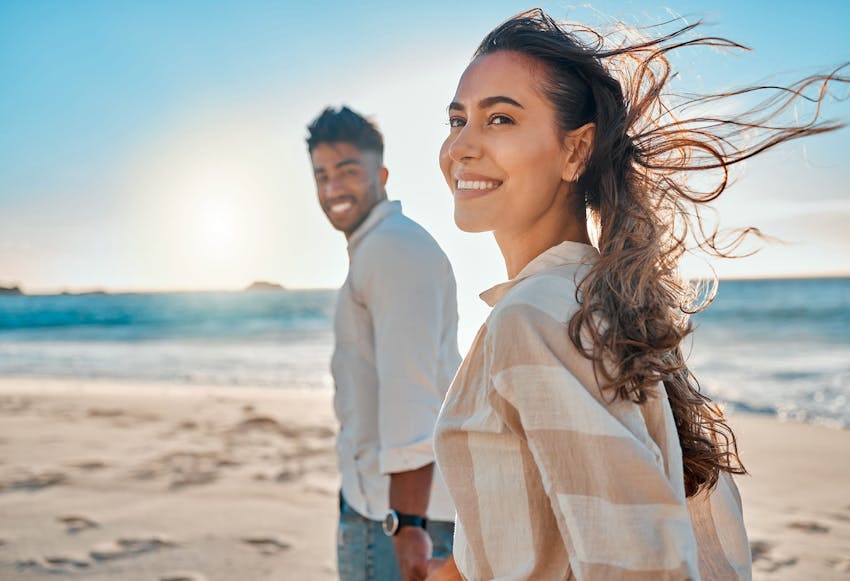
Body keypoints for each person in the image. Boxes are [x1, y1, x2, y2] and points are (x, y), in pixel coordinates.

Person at [427, 9, 848, 581]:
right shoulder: (596, 298)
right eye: (457, 120)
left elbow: (636, 561)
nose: (462, 147)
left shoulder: (537, 316)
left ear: (576, 151)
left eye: (500, 119)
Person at [306, 106, 460, 581]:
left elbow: (410, 394)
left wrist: (406, 524)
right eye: (322, 175)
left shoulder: (392, 249)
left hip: (394, 518)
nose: (332, 189)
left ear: (382, 174)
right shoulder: (379, 249)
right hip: (380, 504)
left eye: (348, 171)